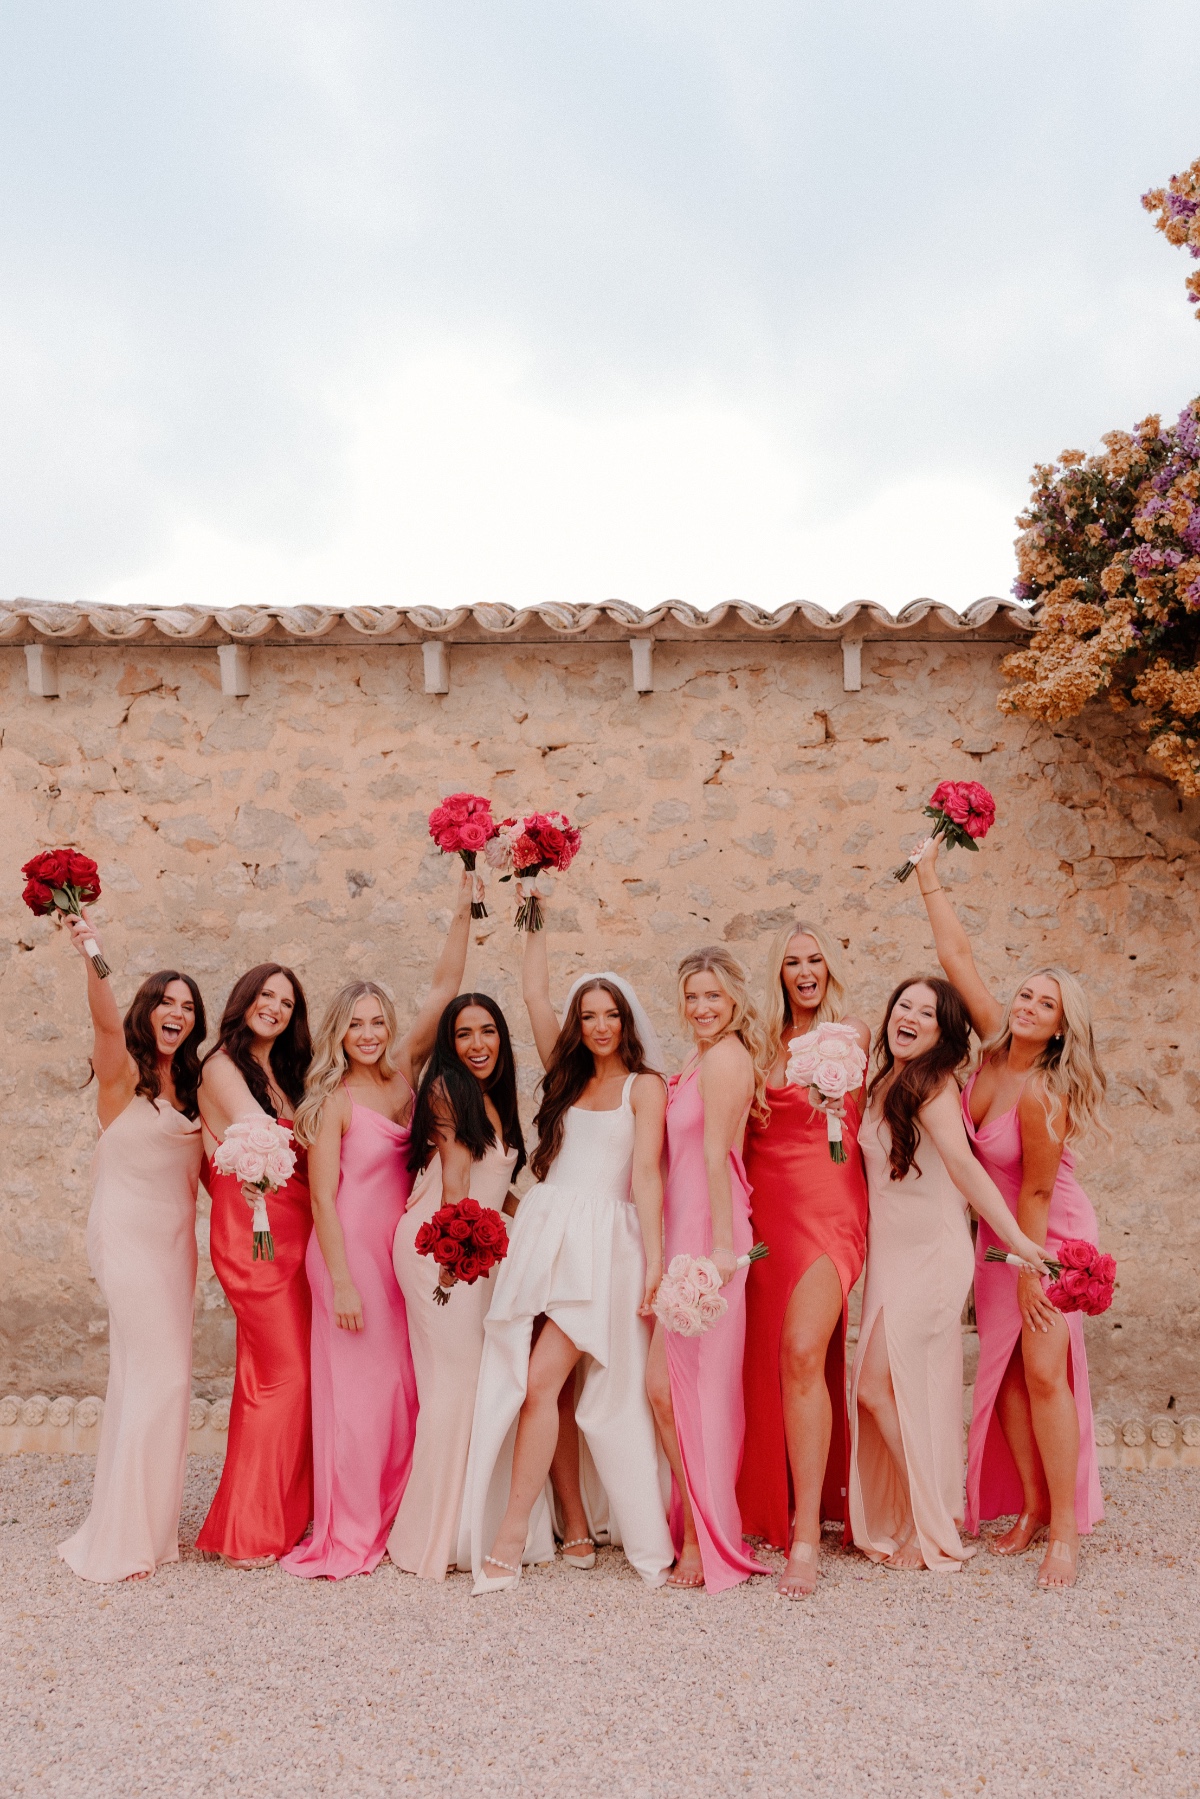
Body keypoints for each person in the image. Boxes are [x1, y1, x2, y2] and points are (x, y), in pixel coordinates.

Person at [914, 836, 1107, 1587]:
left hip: (1046, 1237)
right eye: (1025, 993)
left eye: (1044, 1003)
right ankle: (1029, 1505)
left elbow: (1033, 1189)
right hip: (1002, 1230)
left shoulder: (1044, 1093)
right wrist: (929, 876)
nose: (1026, 1005)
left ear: (1061, 1025)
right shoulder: (995, 1045)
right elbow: (958, 957)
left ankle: (1064, 1530)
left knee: (1045, 1370)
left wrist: (1033, 1269)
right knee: (1008, 1374)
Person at [464, 931, 674, 1594]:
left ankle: (509, 1532)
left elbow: (646, 1176)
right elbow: (532, 992)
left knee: (543, 1379)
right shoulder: (568, 1075)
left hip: (606, 1243)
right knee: (548, 1385)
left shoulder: (645, 1086)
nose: (600, 1025)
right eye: (589, 1015)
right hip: (549, 1232)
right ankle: (574, 1523)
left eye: (611, 1014)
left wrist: (657, 1264)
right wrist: (534, 913)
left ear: (628, 1020)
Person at [282, 876, 472, 1581]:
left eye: (376, 1021)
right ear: (339, 1031)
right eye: (354, 1023)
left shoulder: (402, 1077)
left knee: (404, 1391)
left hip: (400, 1256)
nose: (367, 1033)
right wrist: (341, 1282)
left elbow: (445, 983)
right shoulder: (333, 1098)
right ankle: (352, 1525)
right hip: (347, 1257)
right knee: (358, 1402)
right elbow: (324, 1201)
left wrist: (466, 895)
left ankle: (396, 1517)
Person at [848, 978, 1049, 1572]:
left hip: (932, 1256)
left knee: (875, 1387)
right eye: (902, 1006)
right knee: (902, 1389)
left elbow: (962, 1167)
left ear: (944, 1031)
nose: (908, 1017)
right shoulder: (884, 1080)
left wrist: (1015, 1239)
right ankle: (919, 1512)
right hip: (891, 1257)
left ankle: (925, 1521)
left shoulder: (933, 1084)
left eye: (926, 1012)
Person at [57, 914, 206, 1583]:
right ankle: (121, 1536)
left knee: (156, 1379)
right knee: (161, 1375)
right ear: (148, 1011)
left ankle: (150, 1526)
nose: (176, 1012)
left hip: (176, 1251)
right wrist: (90, 947)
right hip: (125, 1240)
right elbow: (104, 1023)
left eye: (188, 1006)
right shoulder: (120, 1077)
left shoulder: (197, 1091)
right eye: (166, 1001)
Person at [738, 920, 870, 1599]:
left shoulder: (856, 1038)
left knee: (800, 1350)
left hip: (833, 1211)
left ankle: (807, 1533)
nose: (805, 970)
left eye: (816, 958)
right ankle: (775, 1501)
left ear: (830, 966)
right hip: (769, 1218)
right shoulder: (757, 1045)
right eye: (792, 961)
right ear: (779, 973)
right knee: (772, 1360)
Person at [645, 946, 770, 1593]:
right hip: (685, 1236)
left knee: (694, 1391)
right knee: (666, 1388)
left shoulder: (725, 1057)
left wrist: (723, 1251)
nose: (701, 1007)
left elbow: (720, 1156)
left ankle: (705, 1534)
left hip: (710, 1241)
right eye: (692, 995)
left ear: (734, 1000)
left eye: (712, 997)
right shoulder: (697, 1056)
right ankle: (696, 1524)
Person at [388, 993, 525, 1581]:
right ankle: (429, 1538)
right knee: (454, 1382)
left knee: (474, 1384)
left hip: (480, 1247)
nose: (477, 1045)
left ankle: (468, 1525)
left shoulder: (498, 1099)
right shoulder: (447, 1089)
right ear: (450, 1042)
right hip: (441, 1248)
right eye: (464, 1034)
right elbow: (457, 1184)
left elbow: (501, 1185)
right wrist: (453, 1263)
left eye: (487, 1031)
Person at [195, 964, 314, 1568]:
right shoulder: (221, 1064)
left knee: (264, 1376)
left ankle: (258, 1520)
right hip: (256, 1237)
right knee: (285, 1374)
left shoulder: (286, 1071)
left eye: (287, 1002)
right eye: (265, 995)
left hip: (299, 1234)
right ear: (243, 999)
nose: (274, 1007)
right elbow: (257, 1133)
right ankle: (252, 1534)